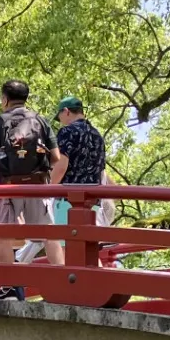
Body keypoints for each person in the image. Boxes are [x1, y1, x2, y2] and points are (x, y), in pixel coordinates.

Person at [0, 79, 57, 299]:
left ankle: (7, 287)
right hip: (37, 186)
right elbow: (56, 157)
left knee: (4, 236)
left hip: (9, 185)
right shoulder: (41, 120)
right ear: (26, 98)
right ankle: (63, 283)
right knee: (48, 235)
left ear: (5, 99)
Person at [46, 95, 108, 265]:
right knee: (89, 252)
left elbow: (61, 165)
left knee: (67, 249)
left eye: (60, 116)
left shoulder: (67, 132)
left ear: (66, 112)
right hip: (92, 201)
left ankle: (71, 290)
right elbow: (101, 170)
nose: (60, 121)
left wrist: (48, 189)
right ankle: (100, 287)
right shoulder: (97, 136)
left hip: (69, 200)